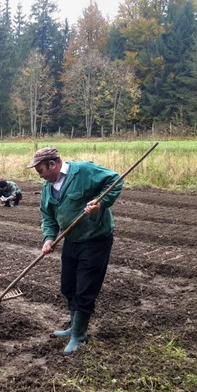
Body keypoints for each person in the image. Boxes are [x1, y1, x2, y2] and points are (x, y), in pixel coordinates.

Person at [26, 147, 122, 354]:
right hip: (71, 240)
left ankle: (80, 335)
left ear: (53, 164)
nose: (40, 175)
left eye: (40, 170)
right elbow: (48, 216)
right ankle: (74, 325)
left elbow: (115, 180)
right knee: (68, 286)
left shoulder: (84, 171)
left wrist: (101, 204)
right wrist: (49, 238)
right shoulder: (48, 187)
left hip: (95, 240)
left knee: (85, 288)